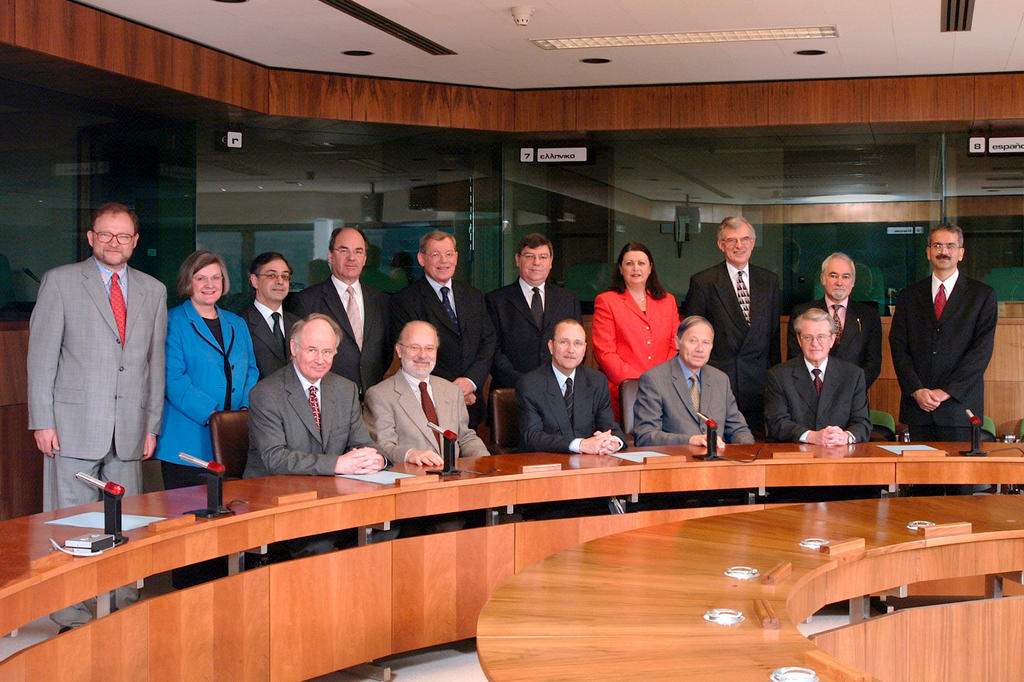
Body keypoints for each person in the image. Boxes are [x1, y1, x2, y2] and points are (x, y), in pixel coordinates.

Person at [27, 202, 167, 630]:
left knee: (126, 522)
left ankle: (119, 604)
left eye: (123, 236)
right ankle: (69, 611)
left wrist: (151, 425)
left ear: (135, 242)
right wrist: (42, 420)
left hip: (129, 428)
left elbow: (153, 365)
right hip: (71, 426)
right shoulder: (61, 282)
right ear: (91, 237)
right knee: (72, 521)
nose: (113, 243)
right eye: (105, 234)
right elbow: (41, 359)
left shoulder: (153, 290)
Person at [154, 251, 259, 488]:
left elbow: (251, 369)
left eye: (216, 277)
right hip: (188, 441)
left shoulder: (237, 323)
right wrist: (212, 414)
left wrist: (242, 409)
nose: (209, 285)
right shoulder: (172, 322)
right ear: (187, 281)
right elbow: (173, 379)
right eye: (201, 278)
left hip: (233, 437)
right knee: (188, 515)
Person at [889, 224, 997, 441]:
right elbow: (898, 346)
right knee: (919, 475)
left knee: (958, 475)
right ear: (928, 252)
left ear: (961, 253)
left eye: (950, 246)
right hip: (920, 408)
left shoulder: (982, 296)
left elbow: (980, 353)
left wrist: (945, 392)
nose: (943, 252)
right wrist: (917, 390)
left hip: (960, 408)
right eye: (937, 245)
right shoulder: (909, 295)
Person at [245, 314, 387, 477]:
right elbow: (276, 459)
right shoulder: (266, 393)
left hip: (331, 489)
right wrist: (337, 464)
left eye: (327, 352)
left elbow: (362, 443)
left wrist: (378, 459)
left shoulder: (346, 390)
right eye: (312, 350)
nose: (320, 360)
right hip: (274, 490)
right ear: (294, 348)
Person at [683, 216, 780, 436]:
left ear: (753, 243)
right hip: (718, 382)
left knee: (754, 448)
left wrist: (775, 381)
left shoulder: (769, 281)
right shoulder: (703, 282)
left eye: (745, 239)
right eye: (732, 240)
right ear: (721, 245)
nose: (739, 246)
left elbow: (773, 337)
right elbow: (692, 338)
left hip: (759, 383)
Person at [390, 230, 496, 426]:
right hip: (429, 404)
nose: (443, 261)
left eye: (448, 254)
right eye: (435, 255)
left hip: (472, 401)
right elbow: (415, 354)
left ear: (456, 257)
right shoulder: (405, 301)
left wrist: (471, 382)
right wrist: (453, 392)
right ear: (421, 259)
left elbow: (488, 342)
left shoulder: (473, 295)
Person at [364, 320, 489, 465]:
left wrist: (486, 461)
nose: (423, 355)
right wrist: (409, 454)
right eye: (414, 347)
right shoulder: (379, 395)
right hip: (410, 480)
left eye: (429, 348)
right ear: (399, 350)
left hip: (453, 480)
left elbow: (465, 438)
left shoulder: (452, 391)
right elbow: (382, 446)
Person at [288, 226, 391, 396]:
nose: (352, 257)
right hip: (328, 398)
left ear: (365, 258)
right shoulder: (306, 301)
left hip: (374, 398)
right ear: (330, 256)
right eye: (344, 250)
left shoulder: (382, 301)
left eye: (358, 251)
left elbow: (385, 351)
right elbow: (298, 357)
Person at [591, 242, 680, 422]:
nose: (635, 268)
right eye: (629, 263)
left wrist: (660, 381)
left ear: (650, 268)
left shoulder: (668, 301)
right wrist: (639, 383)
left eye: (641, 263)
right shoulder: (606, 301)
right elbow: (605, 353)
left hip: (665, 391)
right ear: (620, 269)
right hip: (623, 392)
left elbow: (676, 345)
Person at [634, 316, 754, 447]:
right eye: (693, 341)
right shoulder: (654, 379)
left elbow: (738, 429)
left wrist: (747, 451)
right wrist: (690, 440)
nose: (700, 349)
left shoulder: (720, 379)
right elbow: (645, 436)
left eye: (706, 343)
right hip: (675, 463)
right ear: (677, 342)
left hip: (716, 462)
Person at [486, 233, 582, 389]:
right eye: (529, 256)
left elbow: (577, 345)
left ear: (551, 261)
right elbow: (492, 351)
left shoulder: (567, 299)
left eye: (543, 257)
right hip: (511, 390)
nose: (536, 262)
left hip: (558, 390)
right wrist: (525, 383)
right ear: (518, 259)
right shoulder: (496, 300)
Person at [516, 319, 625, 454]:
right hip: (547, 464)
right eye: (564, 342)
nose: (571, 350)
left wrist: (613, 442)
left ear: (585, 349)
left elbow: (609, 427)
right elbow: (532, 437)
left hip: (588, 465)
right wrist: (579, 445)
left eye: (577, 344)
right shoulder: (530, 384)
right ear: (551, 346)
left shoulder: (597, 381)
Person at [766, 308, 871, 445]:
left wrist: (845, 437)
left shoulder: (853, 375)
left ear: (832, 339)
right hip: (796, 456)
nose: (815, 344)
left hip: (841, 456)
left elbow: (862, 423)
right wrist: (811, 436)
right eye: (808, 337)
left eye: (821, 337)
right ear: (799, 340)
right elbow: (777, 423)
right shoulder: (779, 376)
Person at [787, 252, 882, 389]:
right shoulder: (801, 313)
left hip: (852, 398)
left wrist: (849, 391)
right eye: (833, 275)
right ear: (822, 279)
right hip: (810, 396)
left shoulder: (869, 315)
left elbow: (873, 364)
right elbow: (795, 359)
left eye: (846, 276)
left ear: (853, 281)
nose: (839, 282)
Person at [243, 251, 298, 378]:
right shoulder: (241, 324)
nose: (280, 281)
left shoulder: (297, 324)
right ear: (254, 280)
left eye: (285, 276)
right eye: (272, 275)